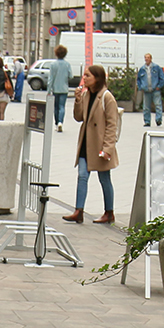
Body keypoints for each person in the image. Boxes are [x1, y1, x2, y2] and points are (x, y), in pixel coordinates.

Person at [63, 64, 120, 224]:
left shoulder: (107, 97)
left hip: (100, 145)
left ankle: (109, 212)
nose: (84, 78)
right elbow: (79, 117)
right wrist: (78, 100)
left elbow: (112, 124)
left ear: (97, 78)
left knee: (104, 178)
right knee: (82, 176)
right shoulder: (86, 94)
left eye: (88, 75)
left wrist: (108, 148)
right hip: (85, 143)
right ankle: (78, 211)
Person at [47, 44, 73, 132]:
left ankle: (56, 122)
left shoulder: (53, 64)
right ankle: (60, 122)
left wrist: (49, 89)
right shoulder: (67, 64)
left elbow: (50, 78)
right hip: (64, 89)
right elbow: (71, 76)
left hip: (55, 89)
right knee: (62, 106)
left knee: (56, 107)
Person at [137, 53, 164, 127]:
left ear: (151, 59)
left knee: (158, 105)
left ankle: (158, 120)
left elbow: (161, 77)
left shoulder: (156, 67)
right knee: (146, 107)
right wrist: (141, 87)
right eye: (145, 58)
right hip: (146, 90)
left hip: (155, 89)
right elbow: (138, 79)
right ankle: (147, 121)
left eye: (148, 57)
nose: (147, 59)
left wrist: (159, 86)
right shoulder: (142, 69)